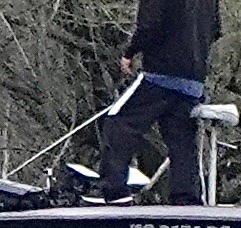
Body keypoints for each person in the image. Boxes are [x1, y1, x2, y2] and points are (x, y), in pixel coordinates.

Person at [95, 0, 222, 205]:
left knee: (118, 121)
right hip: (193, 79)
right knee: (182, 140)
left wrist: (130, 53)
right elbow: (215, 30)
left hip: (160, 72)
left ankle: (113, 189)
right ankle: (186, 197)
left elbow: (149, 25)